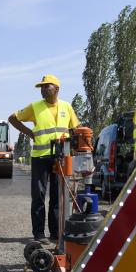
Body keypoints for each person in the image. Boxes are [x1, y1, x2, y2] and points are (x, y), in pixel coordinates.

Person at [9, 75, 80, 244]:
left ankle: (55, 234)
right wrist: (29, 133)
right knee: (39, 197)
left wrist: (75, 149)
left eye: (46, 86)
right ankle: (39, 234)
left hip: (60, 158)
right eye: (41, 87)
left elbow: (75, 129)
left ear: (57, 89)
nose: (42, 89)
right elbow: (12, 118)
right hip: (40, 158)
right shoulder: (35, 107)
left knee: (57, 197)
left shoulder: (67, 107)